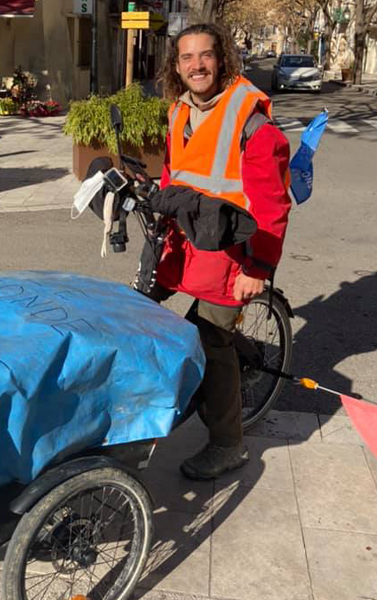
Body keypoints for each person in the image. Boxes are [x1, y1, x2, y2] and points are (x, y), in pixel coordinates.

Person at [146, 23, 291, 480]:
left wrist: (259, 267)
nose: (196, 65)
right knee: (141, 309)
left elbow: (272, 205)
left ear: (221, 58)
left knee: (209, 339)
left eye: (205, 55)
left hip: (234, 252)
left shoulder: (251, 122)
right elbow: (176, 177)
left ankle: (229, 444)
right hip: (188, 243)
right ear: (176, 66)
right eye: (186, 58)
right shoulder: (179, 112)